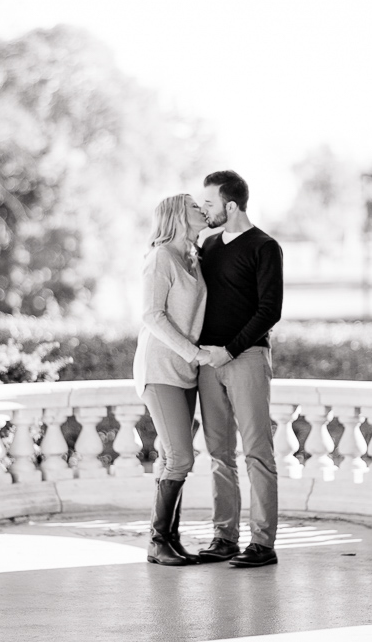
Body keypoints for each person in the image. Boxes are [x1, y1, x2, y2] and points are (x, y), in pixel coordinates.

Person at [197, 170, 283, 568]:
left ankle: (262, 544)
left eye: (210, 204)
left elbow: (270, 311)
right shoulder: (208, 244)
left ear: (230, 206)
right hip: (206, 363)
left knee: (257, 454)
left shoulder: (265, 247)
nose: (204, 210)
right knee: (218, 453)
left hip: (245, 359)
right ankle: (224, 537)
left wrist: (229, 351)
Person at [133, 193, 210, 566]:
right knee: (181, 455)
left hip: (186, 370)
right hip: (161, 367)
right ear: (179, 215)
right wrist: (193, 352)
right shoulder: (161, 257)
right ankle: (157, 540)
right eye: (197, 206)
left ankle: (169, 541)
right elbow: (151, 314)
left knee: (169, 456)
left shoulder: (193, 258)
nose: (204, 210)